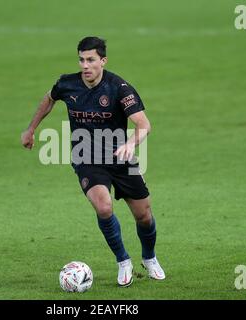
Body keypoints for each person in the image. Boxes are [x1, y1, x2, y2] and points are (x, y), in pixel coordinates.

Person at [21, 36, 165, 287]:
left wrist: (130, 144)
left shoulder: (119, 88)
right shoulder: (67, 84)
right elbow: (49, 98)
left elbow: (144, 125)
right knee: (103, 207)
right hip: (87, 158)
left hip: (120, 158)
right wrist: (31, 128)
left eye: (90, 60)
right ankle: (123, 261)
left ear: (103, 61)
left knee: (144, 215)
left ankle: (150, 257)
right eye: (81, 59)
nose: (85, 65)